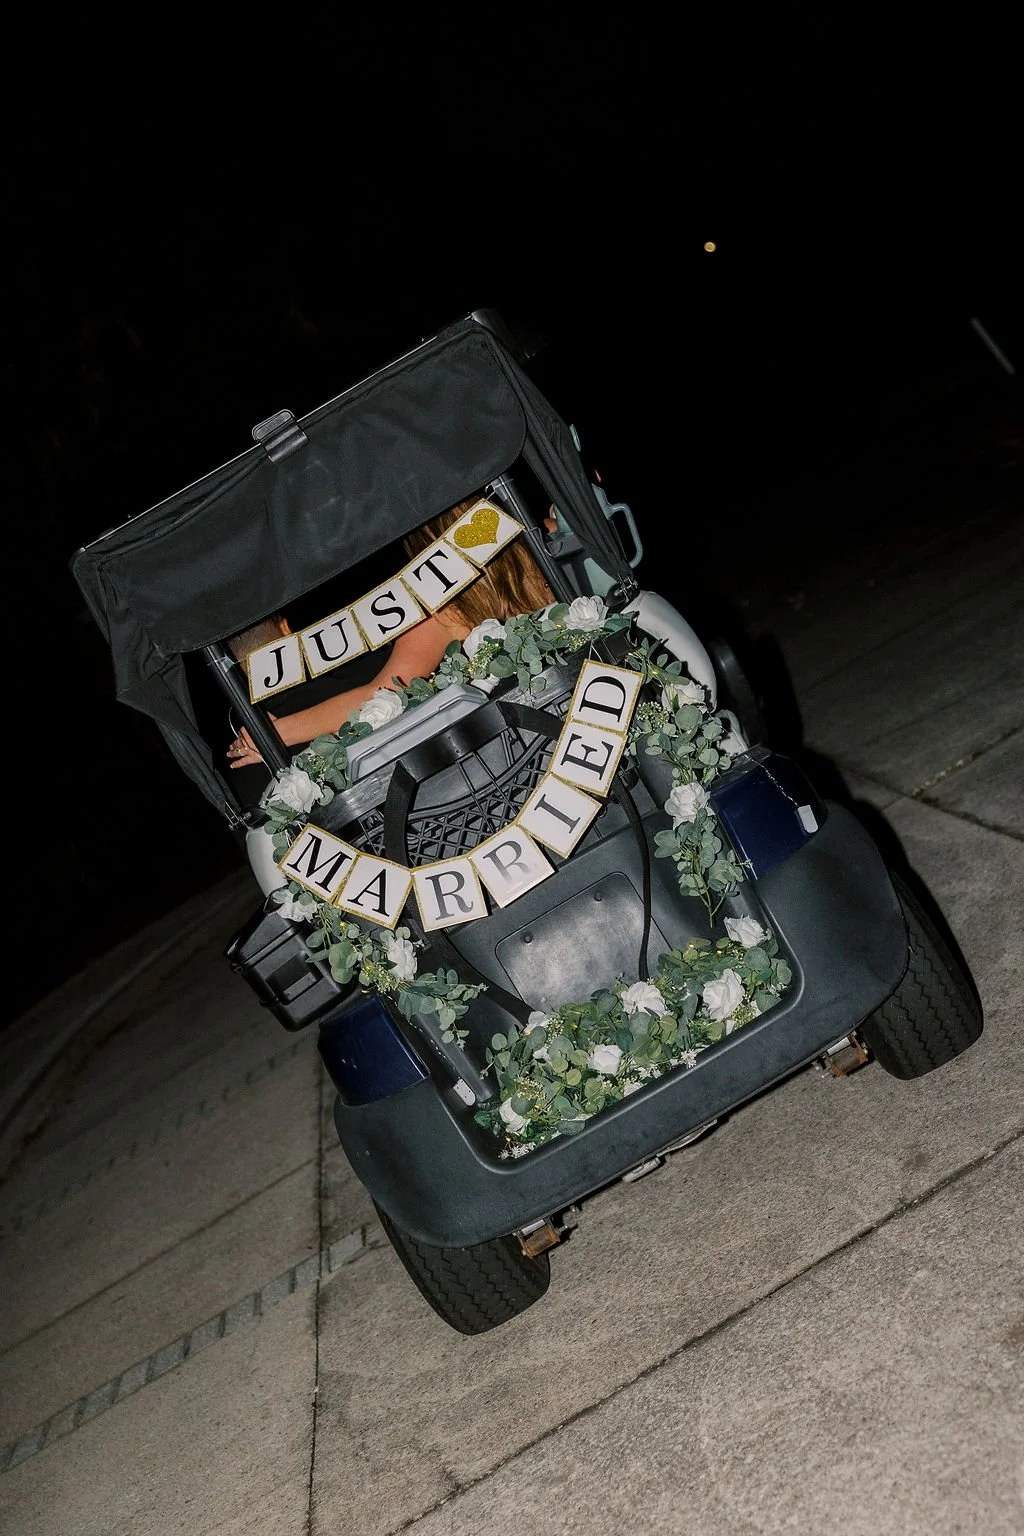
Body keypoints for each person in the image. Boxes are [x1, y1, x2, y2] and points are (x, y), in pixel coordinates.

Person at [226, 496, 555, 769]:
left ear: (427, 545)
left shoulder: (447, 607)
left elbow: (384, 695)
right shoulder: (550, 538)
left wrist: (277, 732)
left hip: (535, 746)